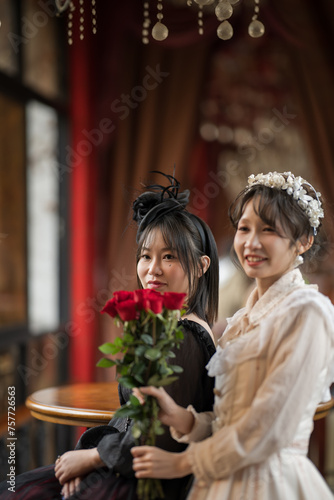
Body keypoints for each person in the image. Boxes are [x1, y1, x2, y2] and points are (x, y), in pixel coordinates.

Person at [0, 173, 219, 500]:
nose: (153, 269)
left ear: (202, 266)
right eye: (146, 256)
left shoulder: (185, 336)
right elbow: (130, 419)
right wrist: (87, 460)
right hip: (123, 465)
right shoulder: (166, 328)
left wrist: (90, 459)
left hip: (147, 483)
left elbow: (158, 436)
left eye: (169, 256)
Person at [131, 171, 334, 500]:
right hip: (217, 482)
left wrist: (183, 462)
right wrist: (183, 419)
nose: (251, 242)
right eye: (244, 228)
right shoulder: (241, 322)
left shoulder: (308, 312)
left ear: (303, 241)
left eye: (269, 229)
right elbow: (230, 419)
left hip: (270, 483)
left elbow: (268, 428)